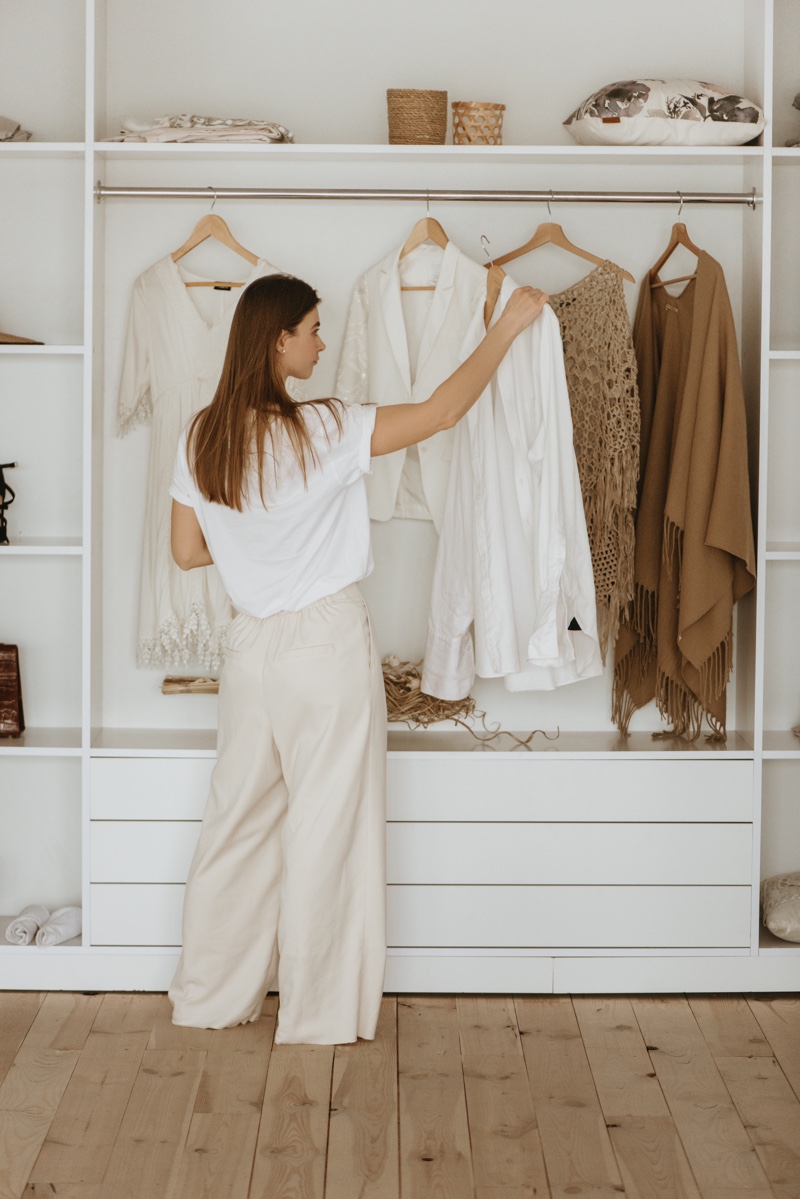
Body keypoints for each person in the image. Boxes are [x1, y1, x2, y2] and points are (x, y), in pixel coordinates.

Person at [167, 272, 548, 1044]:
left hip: (249, 653)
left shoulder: (201, 433)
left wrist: (259, 546)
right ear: (279, 340)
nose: (323, 340)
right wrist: (505, 329)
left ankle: (207, 997)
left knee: (235, 823)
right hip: (325, 645)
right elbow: (443, 410)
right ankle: (316, 1015)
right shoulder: (327, 427)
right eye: (313, 327)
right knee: (326, 830)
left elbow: (186, 551)